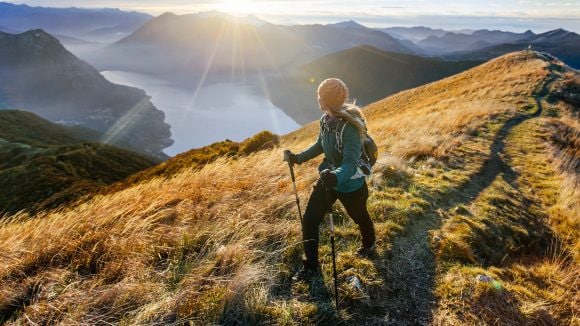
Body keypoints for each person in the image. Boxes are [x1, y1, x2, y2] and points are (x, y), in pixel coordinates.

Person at [283, 78, 376, 281]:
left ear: (325, 100)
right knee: (309, 221)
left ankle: (369, 245)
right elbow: (319, 145)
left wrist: (336, 176)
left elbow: (351, 163)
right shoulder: (325, 120)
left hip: (350, 184)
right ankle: (311, 267)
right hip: (329, 180)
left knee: (359, 217)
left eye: (320, 95)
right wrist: (297, 158)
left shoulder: (349, 128)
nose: (317, 97)